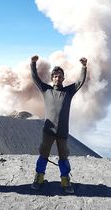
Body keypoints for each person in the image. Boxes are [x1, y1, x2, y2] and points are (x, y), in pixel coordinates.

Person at [30, 55, 87, 193]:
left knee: (63, 157)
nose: (57, 78)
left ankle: (65, 179)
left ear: (63, 78)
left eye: (60, 76)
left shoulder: (68, 91)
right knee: (44, 154)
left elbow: (80, 82)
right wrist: (33, 63)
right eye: (55, 76)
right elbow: (35, 78)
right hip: (48, 131)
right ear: (52, 78)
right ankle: (39, 177)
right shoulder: (46, 90)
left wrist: (84, 67)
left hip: (62, 132)